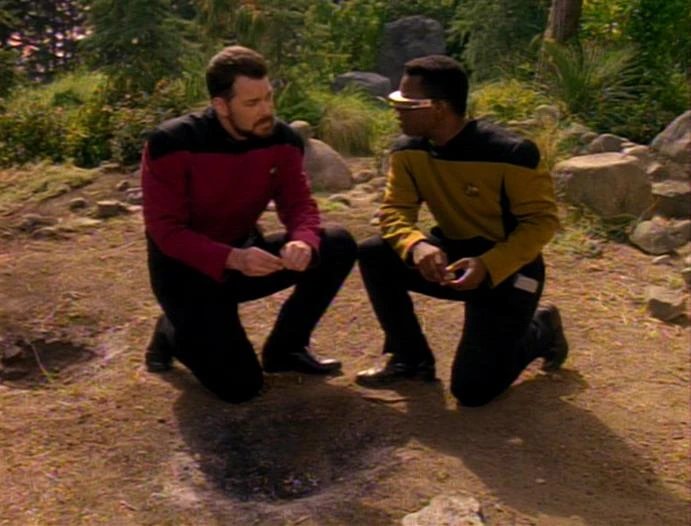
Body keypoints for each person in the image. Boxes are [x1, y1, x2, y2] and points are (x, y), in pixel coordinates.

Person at [141, 46, 356, 403]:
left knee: (335, 244)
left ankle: (286, 348)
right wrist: (234, 259)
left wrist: (303, 240)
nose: (267, 110)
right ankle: (171, 330)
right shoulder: (171, 143)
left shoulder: (283, 140)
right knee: (241, 388)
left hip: (243, 255)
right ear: (221, 105)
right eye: (252, 103)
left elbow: (300, 204)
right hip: (184, 273)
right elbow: (167, 232)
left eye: (269, 97)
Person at [355, 55, 569, 407]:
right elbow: (394, 211)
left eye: (407, 104)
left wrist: (488, 265)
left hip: (509, 271)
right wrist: (417, 245)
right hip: (453, 258)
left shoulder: (511, 153)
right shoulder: (408, 151)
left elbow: (541, 222)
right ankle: (410, 358)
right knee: (374, 253)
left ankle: (541, 329)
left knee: (472, 391)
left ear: (439, 108)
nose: (397, 111)